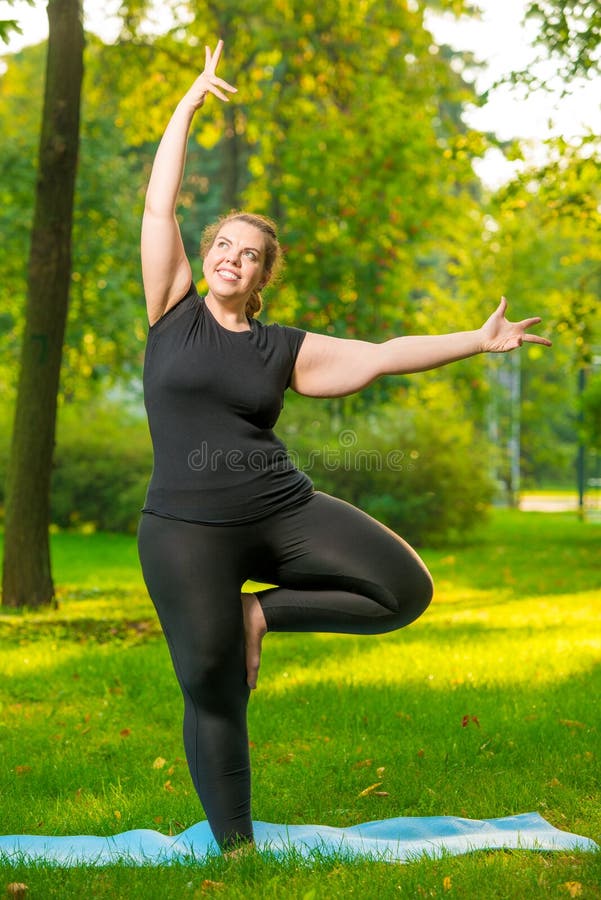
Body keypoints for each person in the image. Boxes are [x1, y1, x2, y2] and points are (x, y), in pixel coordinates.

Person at [137, 40, 552, 854]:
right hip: (183, 530)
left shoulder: (281, 346)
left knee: (402, 589)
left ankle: (260, 611)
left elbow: (383, 351)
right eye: (223, 245)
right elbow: (159, 208)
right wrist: (185, 108)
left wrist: (474, 339)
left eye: (249, 255)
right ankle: (239, 851)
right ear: (206, 255)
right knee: (213, 688)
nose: (231, 258)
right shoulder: (168, 307)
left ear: (261, 278)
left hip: (280, 508)